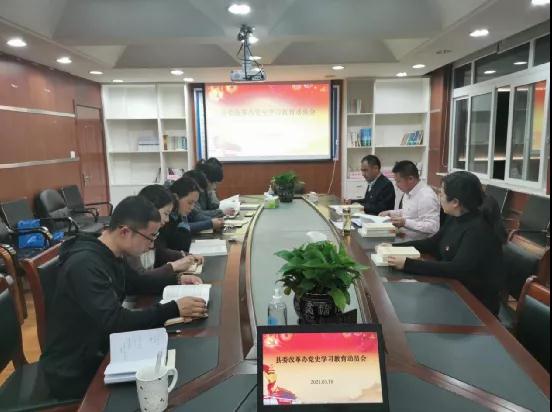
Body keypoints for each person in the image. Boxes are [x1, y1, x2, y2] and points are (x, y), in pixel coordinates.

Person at [40, 196, 208, 399]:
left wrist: (178, 279)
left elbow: (136, 282)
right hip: (74, 369)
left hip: (99, 348)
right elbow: (115, 321)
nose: (152, 245)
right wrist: (173, 308)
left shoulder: (110, 252)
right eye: (150, 237)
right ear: (125, 231)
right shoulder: (84, 264)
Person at [387, 171, 507, 315]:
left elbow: (456, 269)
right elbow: (432, 243)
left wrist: (407, 264)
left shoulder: (478, 230)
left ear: (455, 202)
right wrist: (392, 247)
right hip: (453, 289)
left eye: (442, 194)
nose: (439, 197)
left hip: (475, 306)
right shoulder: (455, 217)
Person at [128, 184, 204, 279]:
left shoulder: (152, 231)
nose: (167, 220)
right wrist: (173, 267)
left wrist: (178, 277)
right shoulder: (133, 237)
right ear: (151, 209)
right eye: (166, 213)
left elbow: (159, 252)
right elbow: (140, 278)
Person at [379, 161, 440, 236]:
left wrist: (405, 223)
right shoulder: (408, 192)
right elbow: (409, 212)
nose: (396, 185)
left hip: (418, 241)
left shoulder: (426, 196)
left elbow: (433, 227)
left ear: (410, 179)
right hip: (403, 236)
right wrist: (390, 213)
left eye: (398, 181)